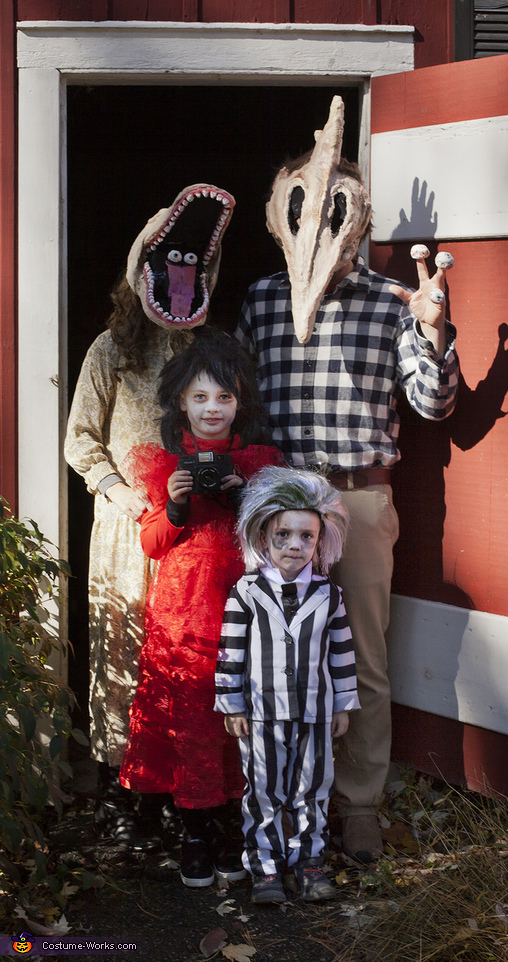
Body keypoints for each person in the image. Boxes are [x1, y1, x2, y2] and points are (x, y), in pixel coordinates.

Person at [234, 96, 460, 864]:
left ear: (354, 217)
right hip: (280, 499)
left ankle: (358, 806)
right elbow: (236, 407)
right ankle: (280, 799)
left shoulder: (390, 303)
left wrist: (433, 329)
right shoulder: (262, 303)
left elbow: (433, 403)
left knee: (359, 654)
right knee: (275, 653)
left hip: (357, 498)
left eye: (333, 206)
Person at [64, 184, 235, 848]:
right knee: (128, 649)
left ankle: (177, 790)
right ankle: (123, 788)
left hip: (193, 533)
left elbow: (231, 416)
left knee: (186, 657)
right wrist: (121, 491)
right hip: (129, 529)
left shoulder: (210, 350)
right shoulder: (113, 348)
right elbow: (81, 436)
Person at [119, 330, 283, 888]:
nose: (213, 409)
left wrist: (241, 495)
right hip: (183, 616)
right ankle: (194, 831)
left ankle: (233, 829)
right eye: (200, 398)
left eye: (225, 397)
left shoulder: (260, 463)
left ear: (241, 404)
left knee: (239, 715)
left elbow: (276, 541)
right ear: (181, 404)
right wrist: (177, 503)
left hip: (244, 614)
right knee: (191, 720)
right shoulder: (165, 464)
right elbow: (151, 544)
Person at [215, 465, 360, 903]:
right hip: (261, 712)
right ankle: (266, 868)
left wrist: (342, 705)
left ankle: (309, 862)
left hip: (315, 711)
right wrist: (232, 704)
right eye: (283, 536)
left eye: (306, 537)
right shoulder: (246, 592)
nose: (294, 546)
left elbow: (341, 653)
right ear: (264, 538)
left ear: (321, 541)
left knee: (312, 789)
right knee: (263, 790)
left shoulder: (329, 595)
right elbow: (230, 651)